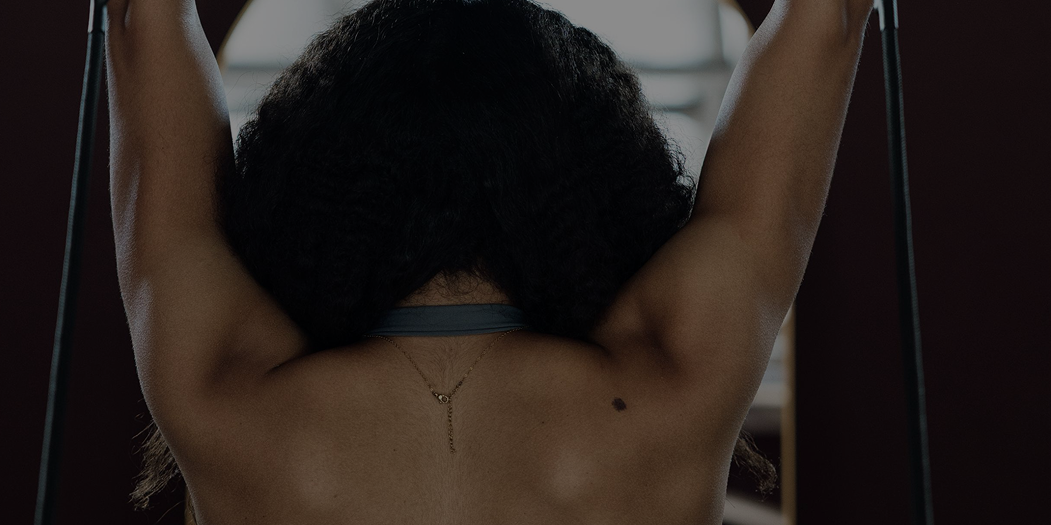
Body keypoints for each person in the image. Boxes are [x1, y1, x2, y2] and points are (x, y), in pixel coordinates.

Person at [106, 0, 875, 522]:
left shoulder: (226, 395)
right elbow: (826, 17)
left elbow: (146, 20)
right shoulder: (670, 381)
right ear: (594, 184)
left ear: (312, 188)